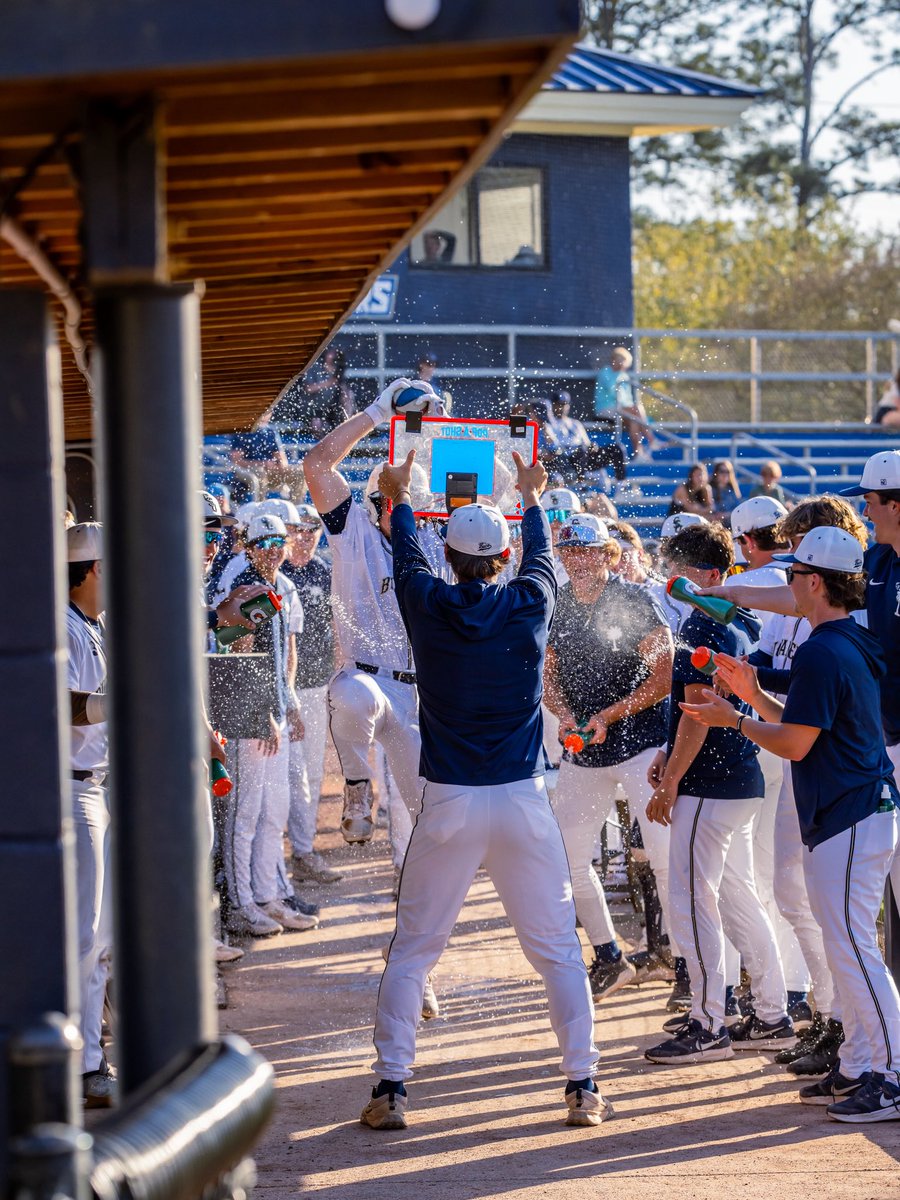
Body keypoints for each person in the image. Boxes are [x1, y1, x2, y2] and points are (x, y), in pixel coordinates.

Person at [362, 450, 610, 1131]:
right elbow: (538, 558)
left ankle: (392, 1088)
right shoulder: (529, 601)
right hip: (523, 797)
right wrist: (530, 496)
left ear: (453, 555)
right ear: (500, 559)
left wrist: (400, 494)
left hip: (449, 800)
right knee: (558, 949)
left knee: (414, 949)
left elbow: (406, 554)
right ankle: (583, 1084)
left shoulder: (428, 602)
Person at [682, 526, 900, 1123]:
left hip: (851, 813)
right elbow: (799, 726)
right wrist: (752, 692)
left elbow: (796, 746)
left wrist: (734, 718)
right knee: (848, 945)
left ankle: (894, 1073)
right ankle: (859, 1064)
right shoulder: (837, 641)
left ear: (818, 583)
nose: (790, 584)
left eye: (798, 575)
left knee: (855, 949)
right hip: (851, 812)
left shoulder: (828, 648)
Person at [642, 522, 793, 1064]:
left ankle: (709, 1023)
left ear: (710, 574)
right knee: (735, 896)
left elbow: (699, 714)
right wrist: (667, 752)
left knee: (691, 898)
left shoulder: (710, 621)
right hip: (737, 776)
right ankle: (773, 1013)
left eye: (681, 572)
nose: (672, 582)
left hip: (712, 780)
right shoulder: (736, 617)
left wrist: (674, 779)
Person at [542, 519, 674, 1000]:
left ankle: (684, 966)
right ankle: (609, 956)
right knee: (567, 859)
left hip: (642, 745)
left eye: (588, 549)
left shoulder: (635, 598)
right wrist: (565, 713)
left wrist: (607, 715)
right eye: (569, 548)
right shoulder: (556, 600)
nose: (577, 557)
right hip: (587, 750)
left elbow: (666, 674)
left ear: (608, 554)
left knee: (664, 860)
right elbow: (548, 673)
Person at [223, 513, 318, 937]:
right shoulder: (247, 586)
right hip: (248, 717)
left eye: (278, 540)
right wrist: (262, 712)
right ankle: (242, 904)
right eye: (263, 543)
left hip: (273, 711)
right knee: (245, 815)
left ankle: (268, 895)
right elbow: (238, 654)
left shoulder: (281, 585)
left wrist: (289, 703)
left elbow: (288, 654)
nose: (273, 550)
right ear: (248, 546)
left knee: (273, 811)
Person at [66, 522, 116, 1107]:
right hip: (72, 790)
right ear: (95, 568)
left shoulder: (92, 624)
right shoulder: (64, 625)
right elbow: (68, 707)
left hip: (98, 787)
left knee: (100, 936)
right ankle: (82, 1067)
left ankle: (92, 1057)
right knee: (84, 935)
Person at [281, 503, 342, 885]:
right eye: (298, 531)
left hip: (316, 686)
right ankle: (282, 855)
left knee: (309, 772)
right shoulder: (276, 572)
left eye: (311, 530)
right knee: (283, 775)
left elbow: (338, 628)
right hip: (280, 691)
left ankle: (303, 851)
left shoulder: (324, 571)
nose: (304, 538)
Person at [544, 391, 626, 485]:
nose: (561, 408)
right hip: (566, 460)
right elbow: (553, 446)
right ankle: (582, 482)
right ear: (552, 406)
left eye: (564, 405)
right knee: (580, 450)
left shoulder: (575, 423)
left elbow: (587, 444)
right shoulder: (549, 424)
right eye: (558, 405)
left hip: (583, 458)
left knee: (616, 449)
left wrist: (592, 446)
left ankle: (621, 485)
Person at [593, 347, 653, 460]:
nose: (621, 363)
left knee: (634, 419)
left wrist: (629, 409)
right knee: (636, 411)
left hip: (620, 410)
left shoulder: (624, 376)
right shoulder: (605, 371)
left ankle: (638, 453)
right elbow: (611, 391)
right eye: (619, 360)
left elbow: (627, 400)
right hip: (605, 409)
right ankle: (651, 440)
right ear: (613, 359)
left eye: (624, 361)